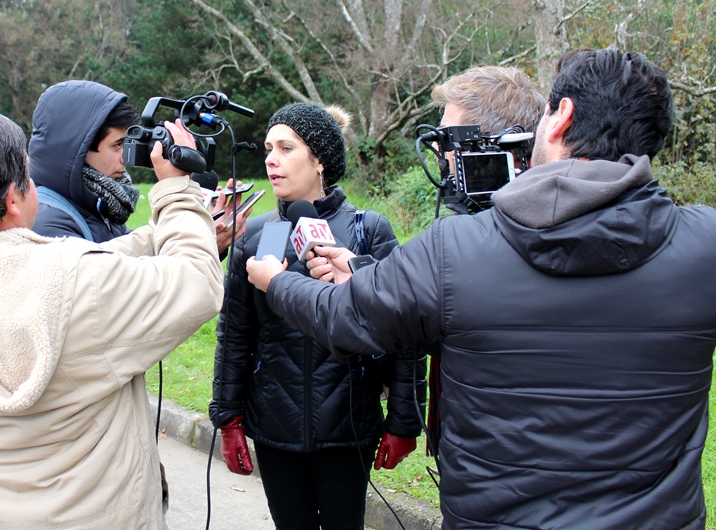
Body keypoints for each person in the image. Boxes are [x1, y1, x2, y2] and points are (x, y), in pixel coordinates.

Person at [247, 48, 716, 529]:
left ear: (560, 120)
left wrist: (276, 281)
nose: (442, 157)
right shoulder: (705, 245)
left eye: (448, 140)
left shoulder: (456, 249)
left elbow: (344, 318)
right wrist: (366, 269)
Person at [0, 108, 223, 530]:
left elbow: (70, 270)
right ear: (12, 200)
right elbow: (197, 283)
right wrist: (178, 191)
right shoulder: (77, 282)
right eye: (29, 178)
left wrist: (160, 235)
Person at [210, 102, 426, 530]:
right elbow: (235, 332)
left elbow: (405, 331)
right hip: (275, 428)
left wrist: (405, 420)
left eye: (286, 148)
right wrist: (228, 415)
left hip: (349, 427)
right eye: (269, 147)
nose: (270, 159)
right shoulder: (257, 235)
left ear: (320, 160)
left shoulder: (369, 229)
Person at [27, 79, 250, 249]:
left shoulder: (97, 205)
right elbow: (137, 292)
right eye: (117, 145)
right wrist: (175, 189)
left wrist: (206, 236)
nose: (125, 158)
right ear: (78, 149)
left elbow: (145, 267)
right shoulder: (50, 226)